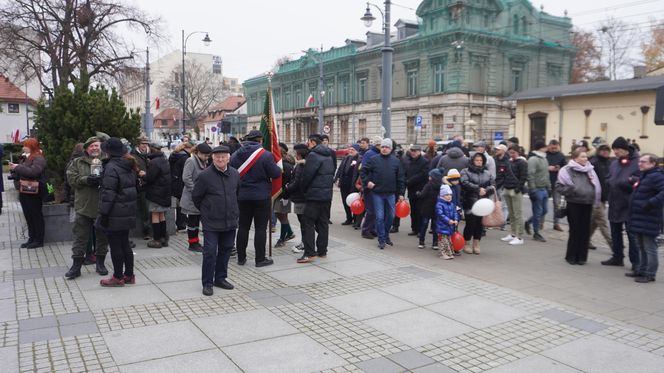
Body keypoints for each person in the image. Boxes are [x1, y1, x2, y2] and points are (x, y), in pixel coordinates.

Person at [192, 146, 240, 295]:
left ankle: (220, 278)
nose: (220, 159)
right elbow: (196, 197)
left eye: (223, 157)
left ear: (228, 158)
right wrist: (208, 211)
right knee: (210, 252)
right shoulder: (205, 176)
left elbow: (236, 193)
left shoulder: (234, 174)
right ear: (213, 158)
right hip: (212, 221)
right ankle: (207, 282)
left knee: (226, 250)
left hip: (230, 220)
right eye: (217, 157)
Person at [230, 130, 282, 267]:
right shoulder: (265, 155)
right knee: (260, 228)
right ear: (260, 140)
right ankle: (260, 259)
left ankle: (241, 258)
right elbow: (276, 173)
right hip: (261, 196)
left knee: (243, 227)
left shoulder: (235, 155)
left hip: (242, 196)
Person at [65, 137, 109, 279]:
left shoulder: (107, 161)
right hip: (83, 206)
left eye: (97, 146)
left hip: (102, 206)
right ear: (86, 149)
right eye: (92, 146)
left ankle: (100, 263)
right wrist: (86, 180)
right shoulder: (77, 162)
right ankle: (76, 266)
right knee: (80, 237)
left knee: (102, 237)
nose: (95, 148)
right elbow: (71, 180)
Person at [97, 138, 138, 287]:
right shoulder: (127, 165)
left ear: (108, 152)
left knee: (115, 245)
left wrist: (104, 214)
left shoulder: (111, 167)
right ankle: (129, 275)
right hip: (127, 210)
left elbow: (108, 194)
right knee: (124, 243)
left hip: (115, 212)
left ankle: (117, 277)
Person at [556, 149, 601, 265]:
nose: (585, 159)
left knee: (585, 231)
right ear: (575, 158)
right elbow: (559, 186)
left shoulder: (590, 170)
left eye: (586, 157)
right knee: (575, 230)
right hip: (573, 202)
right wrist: (571, 189)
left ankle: (582, 257)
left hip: (587, 203)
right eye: (582, 157)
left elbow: (596, 185)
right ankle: (571, 256)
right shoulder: (566, 170)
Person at [602, 137, 641, 267]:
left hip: (629, 203)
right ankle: (617, 257)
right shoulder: (614, 163)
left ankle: (636, 263)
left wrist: (628, 181)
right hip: (615, 202)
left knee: (632, 235)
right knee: (615, 232)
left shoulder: (638, 162)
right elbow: (608, 177)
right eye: (614, 150)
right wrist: (609, 182)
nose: (615, 152)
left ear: (624, 149)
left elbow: (640, 180)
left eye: (617, 149)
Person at [361, 138, 405, 250]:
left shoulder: (396, 161)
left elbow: (400, 178)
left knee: (390, 216)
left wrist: (401, 193)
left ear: (391, 149)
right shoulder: (373, 159)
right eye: (383, 147)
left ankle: (385, 235)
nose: (384, 149)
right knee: (380, 217)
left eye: (387, 147)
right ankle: (381, 239)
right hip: (377, 193)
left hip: (391, 194)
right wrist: (367, 181)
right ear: (380, 147)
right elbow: (363, 171)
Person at [297, 134, 335, 263]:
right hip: (326, 195)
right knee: (323, 223)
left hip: (314, 195)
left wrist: (304, 190)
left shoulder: (313, 155)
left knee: (308, 223)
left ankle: (309, 253)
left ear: (313, 142)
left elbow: (307, 176)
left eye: (308, 142)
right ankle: (322, 251)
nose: (307, 144)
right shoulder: (329, 155)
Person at [627, 154, 664, 282]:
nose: (640, 164)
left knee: (650, 247)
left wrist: (650, 203)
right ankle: (642, 271)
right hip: (639, 217)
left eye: (643, 162)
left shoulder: (657, 176)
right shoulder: (645, 175)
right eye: (639, 161)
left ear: (653, 163)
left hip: (649, 218)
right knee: (641, 246)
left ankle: (650, 274)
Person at [10, 138, 46, 249]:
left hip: (34, 191)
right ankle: (31, 238)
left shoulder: (39, 158)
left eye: (25, 145)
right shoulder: (27, 157)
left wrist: (18, 167)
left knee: (35, 215)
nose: (23, 147)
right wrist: (15, 170)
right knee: (28, 216)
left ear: (31, 146)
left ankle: (38, 240)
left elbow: (33, 172)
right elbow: (24, 171)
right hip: (25, 190)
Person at [180, 143, 212, 252]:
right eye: (204, 155)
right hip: (192, 197)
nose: (206, 158)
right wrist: (195, 191)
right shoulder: (191, 161)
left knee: (197, 220)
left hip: (200, 197)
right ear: (198, 152)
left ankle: (196, 241)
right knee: (193, 221)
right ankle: (192, 243)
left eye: (208, 156)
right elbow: (186, 178)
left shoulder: (203, 162)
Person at [461, 152, 494, 254]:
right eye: (477, 160)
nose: (479, 162)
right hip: (470, 200)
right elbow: (464, 183)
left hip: (483, 202)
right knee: (470, 223)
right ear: (472, 161)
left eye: (481, 160)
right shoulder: (465, 171)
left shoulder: (487, 172)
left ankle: (476, 243)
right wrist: (478, 189)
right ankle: (466, 243)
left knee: (480, 224)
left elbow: (493, 185)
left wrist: (486, 190)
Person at [144, 143, 171, 248]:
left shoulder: (154, 162)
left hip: (156, 192)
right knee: (162, 215)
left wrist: (143, 175)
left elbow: (150, 178)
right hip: (164, 192)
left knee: (155, 214)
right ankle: (164, 238)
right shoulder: (164, 159)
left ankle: (156, 240)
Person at [500, 144, 528, 245]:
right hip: (507, 189)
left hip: (515, 190)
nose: (511, 154)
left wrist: (517, 189)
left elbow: (523, 177)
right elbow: (505, 174)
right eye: (510, 152)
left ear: (517, 152)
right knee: (511, 214)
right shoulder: (509, 162)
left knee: (518, 214)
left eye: (513, 153)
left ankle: (519, 236)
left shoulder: (522, 162)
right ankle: (512, 234)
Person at [284, 143, 309, 253]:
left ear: (300, 153)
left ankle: (305, 244)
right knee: (303, 222)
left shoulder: (301, 165)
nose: (294, 154)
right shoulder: (301, 164)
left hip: (301, 198)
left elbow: (297, 182)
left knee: (304, 222)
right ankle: (305, 242)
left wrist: (287, 187)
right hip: (301, 197)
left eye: (295, 152)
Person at [525, 141, 551, 242]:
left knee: (544, 211)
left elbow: (546, 174)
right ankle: (536, 233)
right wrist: (532, 189)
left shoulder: (544, 159)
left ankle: (528, 222)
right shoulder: (533, 159)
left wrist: (549, 187)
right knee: (538, 212)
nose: (546, 149)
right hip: (537, 189)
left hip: (544, 188)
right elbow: (530, 175)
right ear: (540, 148)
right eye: (545, 147)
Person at [589, 144, 613, 250]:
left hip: (603, 196)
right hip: (595, 197)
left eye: (607, 150)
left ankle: (585, 239)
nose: (605, 152)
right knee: (602, 221)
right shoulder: (594, 162)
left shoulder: (610, 163)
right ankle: (613, 244)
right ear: (598, 151)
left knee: (594, 221)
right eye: (602, 150)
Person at [402, 144, 429, 236]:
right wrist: (406, 180)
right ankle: (414, 228)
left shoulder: (425, 161)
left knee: (420, 211)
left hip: (421, 189)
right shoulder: (410, 161)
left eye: (415, 151)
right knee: (413, 211)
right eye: (412, 151)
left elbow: (423, 175)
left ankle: (421, 230)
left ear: (419, 151)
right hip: (411, 189)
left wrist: (409, 181)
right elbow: (406, 172)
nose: (413, 153)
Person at [360, 136, 382, 239]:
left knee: (375, 209)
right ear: (378, 145)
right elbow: (364, 170)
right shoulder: (370, 154)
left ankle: (372, 229)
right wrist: (368, 182)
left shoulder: (377, 153)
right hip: (369, 186)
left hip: (376, 186)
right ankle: (366, 230)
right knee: (371, 210)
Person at [169, 141, 193, 232]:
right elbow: (186, 173)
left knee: (178, 204)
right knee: (182, 205)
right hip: (181, 183)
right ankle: (181, 225)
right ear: (187, 148)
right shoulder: (185, 157)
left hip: (174, 182)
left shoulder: (174, 155)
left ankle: (180, 223)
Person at [275, 142, 296, 247]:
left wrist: (285, 196)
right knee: (279, 215)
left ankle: (282, 239)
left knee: (283, 217)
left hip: (283, 195)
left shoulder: (286, 166)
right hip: (277, 194)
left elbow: (288, 182)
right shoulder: (280, 163)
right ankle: (290, 233)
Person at [417, 168, 443, 250]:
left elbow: (422, 195)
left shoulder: (428, 185)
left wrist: (418, 193)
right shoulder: (442, 186)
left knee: (424, 225)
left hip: (427, 208)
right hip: (437, 209)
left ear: (432, 177)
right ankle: (435, 243)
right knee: (435, 226)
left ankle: (421, 242)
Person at [335, 144, 361, 225]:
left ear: (357, 150)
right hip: (344, 183)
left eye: (353, 149)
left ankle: (356, 219)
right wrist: (336, 178)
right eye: (350, 149)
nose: (350, 151)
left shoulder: (360, 159)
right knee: (345, 202)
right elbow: (340, 169)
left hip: (353, 185)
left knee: (354, 202)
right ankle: (348, 218)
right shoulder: (346, 158)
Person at [131, 136, 151, 239]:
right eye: (143, 143)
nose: (145, 145)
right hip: (141, 185)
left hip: (152, 184)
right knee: (144, 209)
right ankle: (146, 231)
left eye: (146, 143)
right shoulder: (134, 155)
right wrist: (138, 172)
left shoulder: (151, 153)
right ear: (138, 144)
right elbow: (133, 169)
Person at [546, 140, 567, 232]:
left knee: (557, 204)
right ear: (548, 146)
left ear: (558, 146)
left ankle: (556, 223)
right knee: (543, 204)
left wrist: (559, 169)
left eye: (555, 148)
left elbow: (566, 168)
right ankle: (541, 223)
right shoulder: (544, 154)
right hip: (545, 183)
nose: (554, 149)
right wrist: (548, 168)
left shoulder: (561, 156)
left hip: (557, 183)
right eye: (552, 148)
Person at [436, 184, 460, 259]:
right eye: (447, 195)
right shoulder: (439, 204)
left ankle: (449, 253)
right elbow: (440, 214)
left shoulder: (452, 204)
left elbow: (455, 212)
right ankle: (442, 254)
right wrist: (448, 220)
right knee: (443, 241)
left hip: (450, 227)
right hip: (442, 226)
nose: (449, 196)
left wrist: (456, 219)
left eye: (450, 195)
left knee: (449, 241)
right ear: (442, 196)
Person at [493, 144, 510, 230]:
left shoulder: (507, 161)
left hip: (502, 186)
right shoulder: (494, 160)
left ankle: (503, 224)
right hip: (494, 185)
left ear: (503, 151)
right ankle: (493, 222)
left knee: (504, 206)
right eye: (496, 149)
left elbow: (508, 174)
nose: (496, 151)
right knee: (494, 205)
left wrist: (505, 185)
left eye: (498, 150)